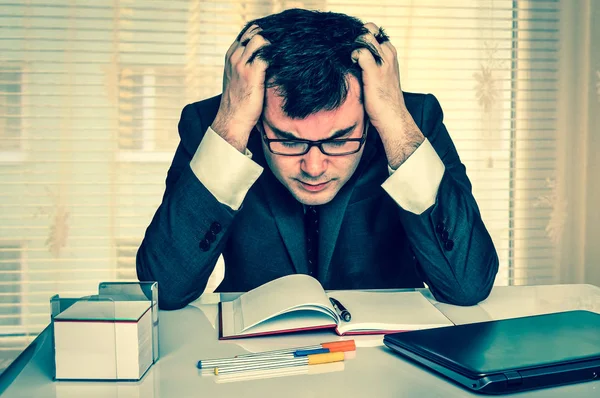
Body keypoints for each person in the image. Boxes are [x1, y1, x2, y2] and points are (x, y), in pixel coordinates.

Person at [136, 9, 499, 310]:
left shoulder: (409, 121)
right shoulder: (215, 125)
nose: (313, 167)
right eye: (288, 141)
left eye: (340, 140)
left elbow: (467, 286)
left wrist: (395, 124)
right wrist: (230, 129)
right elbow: (165, 289)